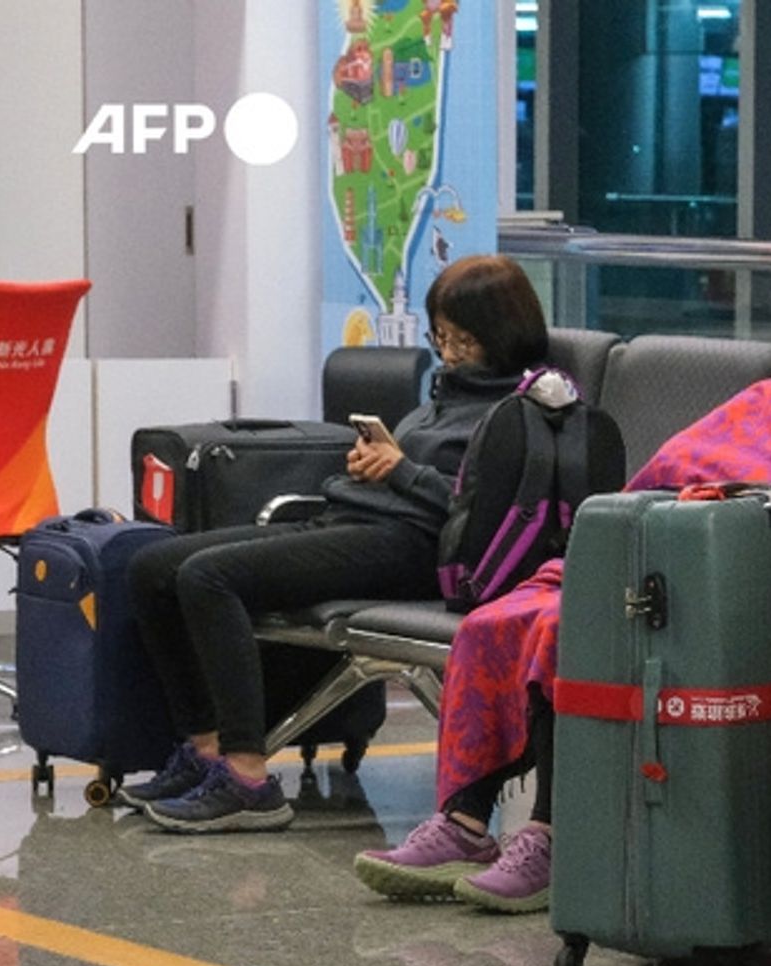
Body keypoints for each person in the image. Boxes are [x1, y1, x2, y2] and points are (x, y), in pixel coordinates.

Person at [353, 260, 771, 912]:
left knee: (564, 629)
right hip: (644, 545)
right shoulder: (760, 397)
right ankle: (465, 823)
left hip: (721, 581)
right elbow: (664, 470)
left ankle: (549, 834)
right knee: (494, 621)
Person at [120, 254, 550, 832]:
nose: (449, 353)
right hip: (354, 521)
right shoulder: (445, 394)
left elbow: (482, 514)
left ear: (502, 335)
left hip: (414, 548)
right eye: (441, 337)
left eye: (463, 340)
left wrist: (399, 470)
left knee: (208, 577)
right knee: (151, 567)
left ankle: (248, 779)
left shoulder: (520, 412)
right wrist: (373, 465)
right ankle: (206, 749)